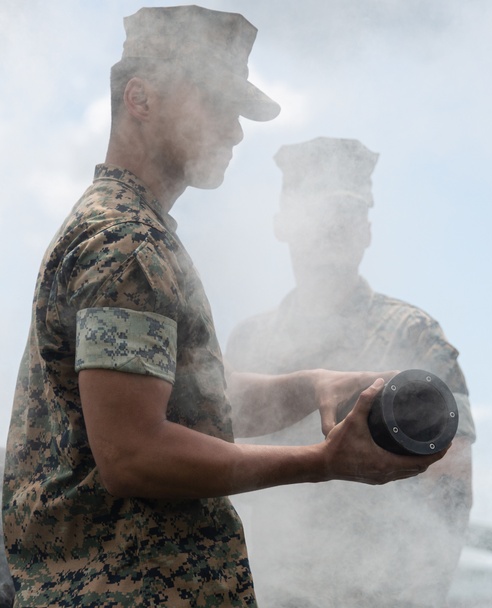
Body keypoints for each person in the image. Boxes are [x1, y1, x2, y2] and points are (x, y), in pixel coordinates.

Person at [2, 8, 443, 606]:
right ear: (141, 98)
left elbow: (186, 399)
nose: (235, 131)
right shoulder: (125, 243)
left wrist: (312, 385)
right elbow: (133, 454)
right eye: (215, 101)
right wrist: (320, 461)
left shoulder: (130, 230)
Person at [225, 137, 476, 608]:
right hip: (263, 590)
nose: (333, 230)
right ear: (284, 226)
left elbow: (450, 486)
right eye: (319, 215)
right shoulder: (250, 343)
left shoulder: (412, 334)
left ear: (366, 231)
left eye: (348, 217)